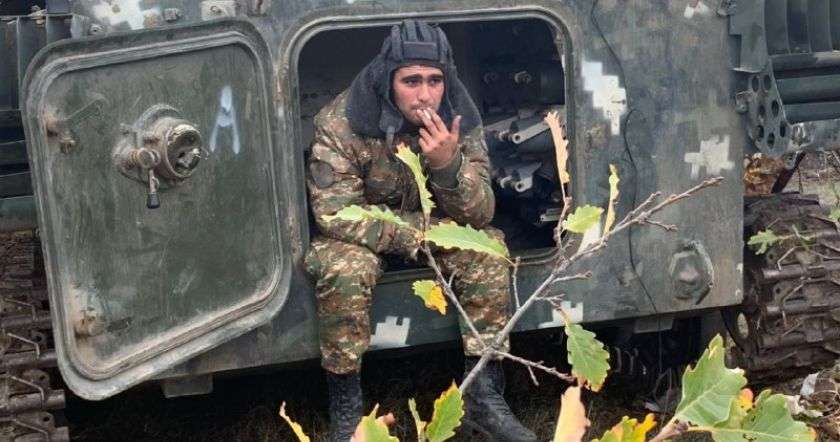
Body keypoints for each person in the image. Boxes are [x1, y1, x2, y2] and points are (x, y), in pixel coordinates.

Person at [304, 19, 537, 442]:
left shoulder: (458, 118)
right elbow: (335, 213)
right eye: (411, 81)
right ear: (388, 80)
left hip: (432, 229)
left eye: (434, 80)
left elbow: (481, 213)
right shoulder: (342, 122)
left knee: (488, 250)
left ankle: (483, 396)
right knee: (343, 268)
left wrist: (448, 166)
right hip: (362, 236)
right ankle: (346, 408)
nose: (425, 94)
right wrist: (419, 234)